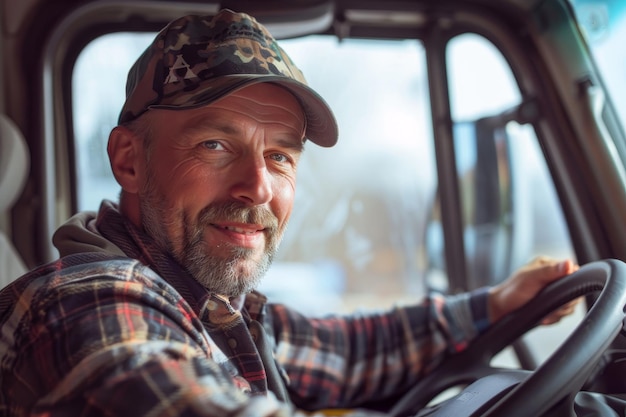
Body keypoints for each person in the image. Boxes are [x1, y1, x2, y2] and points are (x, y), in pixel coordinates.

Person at [0, 9, 579, 417]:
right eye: (215, 145)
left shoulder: (203, 304)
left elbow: (339, 352)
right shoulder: (88, 300)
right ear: (129, 160)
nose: (257, 187)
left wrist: (496, 305)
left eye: (279, 156)